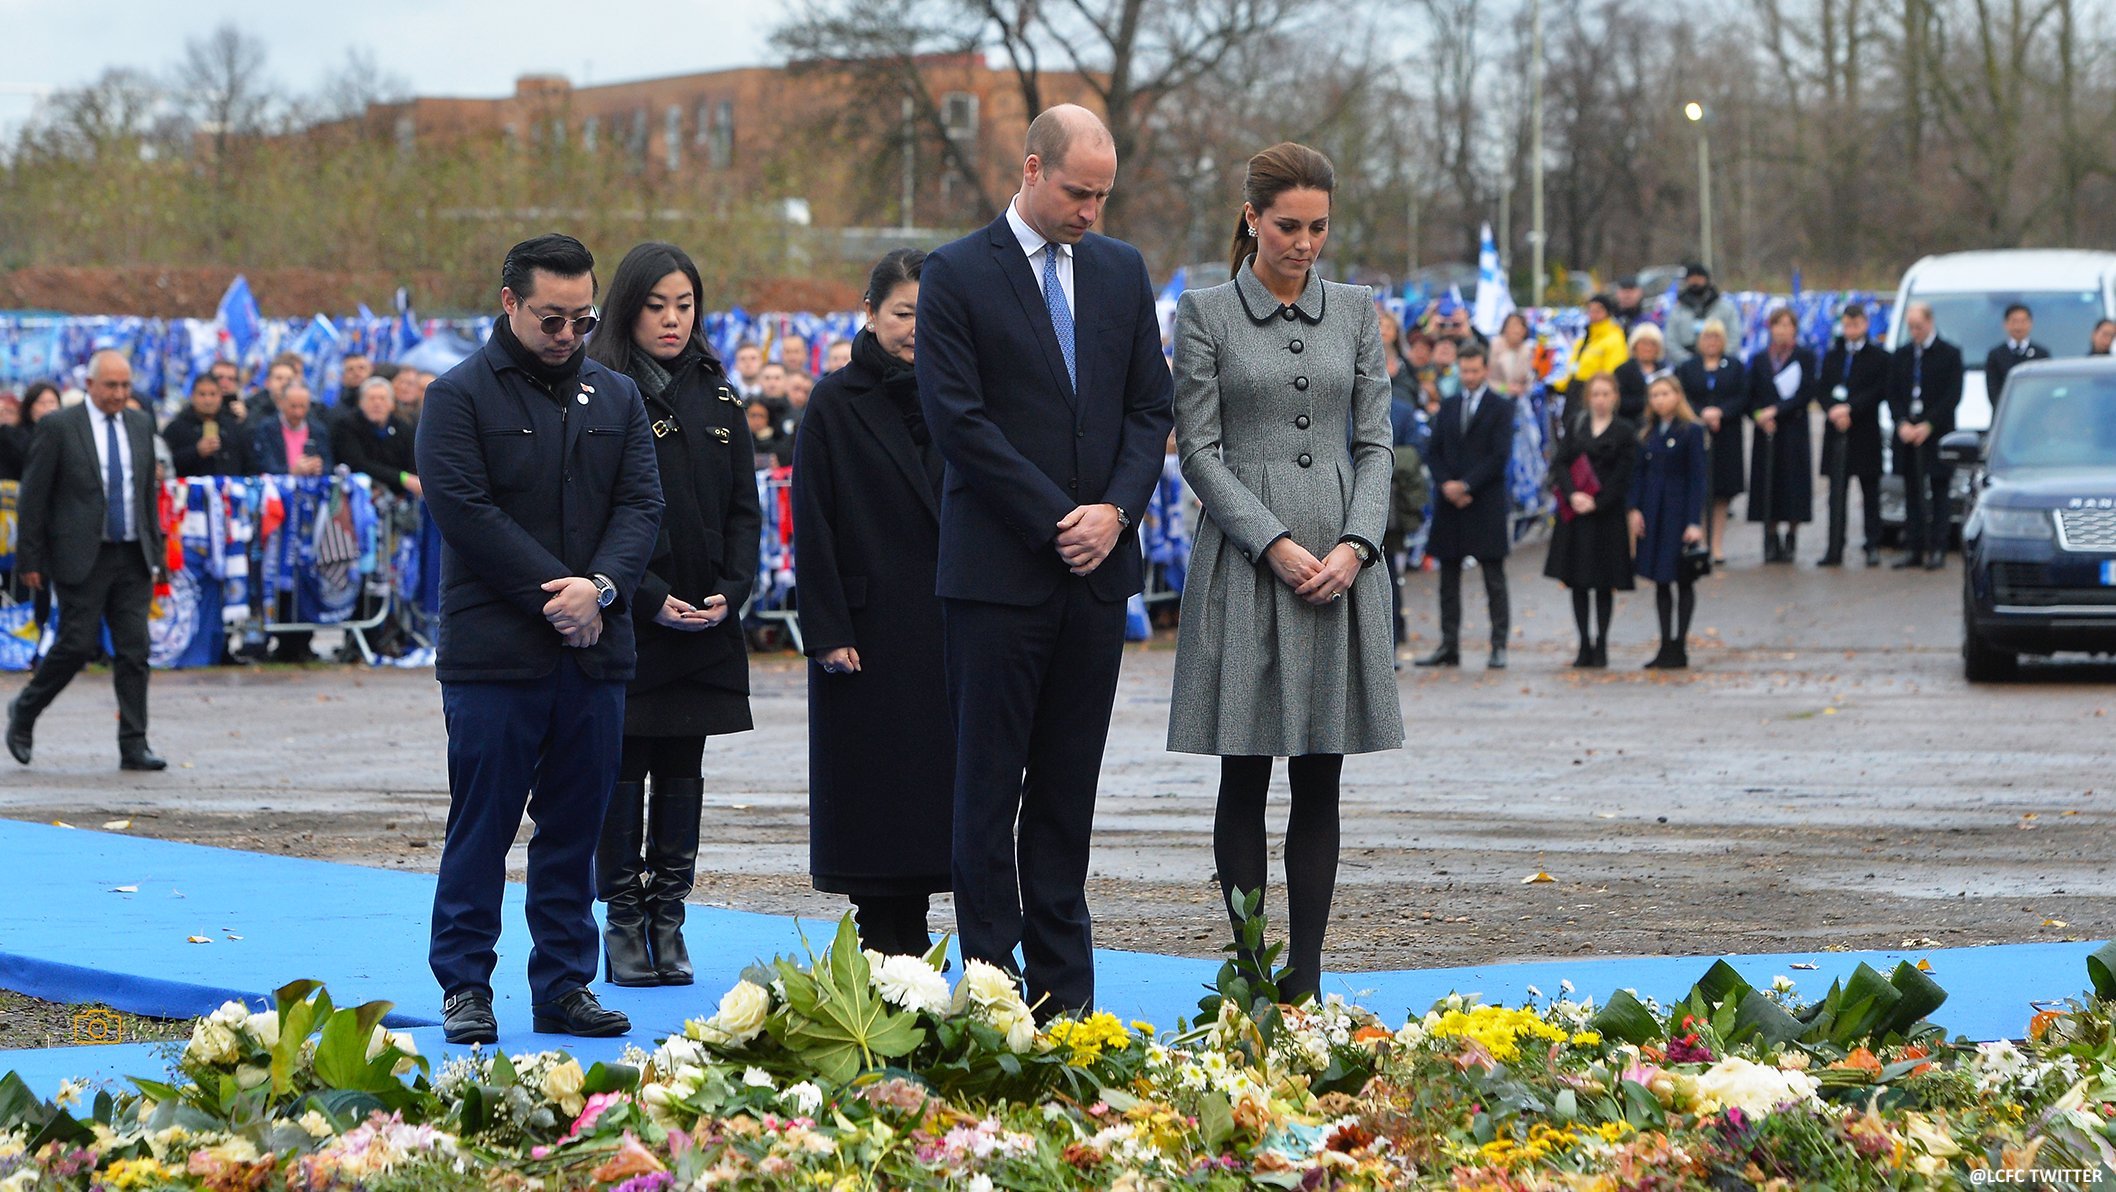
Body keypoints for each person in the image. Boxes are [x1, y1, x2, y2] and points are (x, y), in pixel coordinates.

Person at [916, 104, 1174, 1018]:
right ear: (1031, 170)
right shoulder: (954, 274)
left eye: (1103, 195)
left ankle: (1067, 1001)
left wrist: (1115, 512)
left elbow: (1152, 409)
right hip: (996, 579)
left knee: (1067, 793)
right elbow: (959, 422)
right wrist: (1058, 516)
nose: (1091, 212)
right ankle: (993, 993)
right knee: (986, 794)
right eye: (1077, 192)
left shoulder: (1119, 270)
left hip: (1096, 577)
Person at [1165, 142, 1402, 1002]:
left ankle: (1306, 976)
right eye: (1289, 226)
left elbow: (1375, 440)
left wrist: (1356, 545)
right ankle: (1253, 971)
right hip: (1246, 564)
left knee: (1321, 770)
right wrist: (1270, 541)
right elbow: (1198, 449)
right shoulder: (1203, 314)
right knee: (1246, 767)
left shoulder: (1356, 310)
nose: (1305, 244)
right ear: (1252, 218)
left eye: (1320, 228)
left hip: (1342, 563)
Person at [418, 233, 662, 1044]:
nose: (566, 336)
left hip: (595, 649)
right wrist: (553, 593)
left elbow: (640, 507)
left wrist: (597, 590)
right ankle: (465, 984)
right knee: (482, 825)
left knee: (575, 827)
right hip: (496, 656)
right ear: (509, 303)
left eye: (582, 320)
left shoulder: (618, 399)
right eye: (551, 320)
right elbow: (464, 510)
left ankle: (563, 982)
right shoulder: (457, 397)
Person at [585, 241, 760, 987]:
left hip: (707, 622)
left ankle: (668, 919)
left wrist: (734, 588)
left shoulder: (719, 394)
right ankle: (622, 922)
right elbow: (596, 514)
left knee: (685, 765)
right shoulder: (601, 389)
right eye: (656, 305)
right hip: (632, 619)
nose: (672, 320)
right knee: (625, 764)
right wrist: (650, 595)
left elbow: (744, 511)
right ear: (629, 307)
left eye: (684, 305)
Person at [794, 248, 954, 958]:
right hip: (865, 626)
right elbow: (813, 516)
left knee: (931, 787)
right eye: (903, 314)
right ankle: (876, 934)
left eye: (930, 314)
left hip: (945, 620)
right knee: (872, 792)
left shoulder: (961, 394)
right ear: (870, 313)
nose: (916, 329)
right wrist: (826, 627)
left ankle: (913, 934)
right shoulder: (834, 400)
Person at [7, 351, 166, 772]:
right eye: (111, 386)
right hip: (81, 555)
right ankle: (25, 711)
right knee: (75, 645)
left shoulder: (140, 424)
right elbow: (34, 496)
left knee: (134, 651)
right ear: (91, 384)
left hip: (132, 555)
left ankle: (134, 743)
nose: (118, 394)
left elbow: (145, 494)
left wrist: (157, 551)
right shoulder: (59, 426)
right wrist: (31, 558)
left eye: (125, 386)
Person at [1416, 343, 1514, 669]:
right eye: (1465, 370)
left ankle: (1498, 644)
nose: (1469, 376)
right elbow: (1434, 451)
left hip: (1484, 501)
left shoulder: (1500, 407)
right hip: (1450, 504)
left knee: (1493, 578)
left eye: (1474, 370)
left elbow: (1499, 456)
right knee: (1448, 579)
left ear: (1485, 369)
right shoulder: (1449, 405)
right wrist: (1447, 484)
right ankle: (1449, 645)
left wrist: (1468, 485)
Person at [1543, 373, 1636, 667]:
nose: (1600, 399)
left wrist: (1598, 501)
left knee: (1603, 582)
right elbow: (1561, 462)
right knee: (1578, 581)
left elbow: (1625, 474)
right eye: (1595, 394)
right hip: (1576, 515)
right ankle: (1583, 643)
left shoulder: (1624, 430)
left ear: (1615, 397)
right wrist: (1573, 496)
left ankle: (1602, 644)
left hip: (1607, 516)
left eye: (1606, 394)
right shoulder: (1577, 424)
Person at [1628, 375, 1710, 668]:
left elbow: (1697, 478)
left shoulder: (1691, 431)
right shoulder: (1647, 431)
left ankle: (1680, 644)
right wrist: (1634, 508)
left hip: (1678, 511)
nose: (1659, 400)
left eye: (1664, 394)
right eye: (1654, 395)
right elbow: (1638, 473)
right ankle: (1665, 644)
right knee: (1661, 579)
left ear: (1677, 395)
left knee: (1683, 578)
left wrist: (1694, 521)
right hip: (1654, 509)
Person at [1887, 301, 1965, 570]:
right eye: (1911, 327)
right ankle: (1914, 547)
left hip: (1936, 433)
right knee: (1912, 491)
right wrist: (1901, 423)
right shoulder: (1902, 355)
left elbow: (1952, 395)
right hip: (1908, 433)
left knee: (1939, 491)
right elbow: (1893, 393)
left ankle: (1938, 547)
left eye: (1918, 326)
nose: (1914, 332)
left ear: (1930, 323)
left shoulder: (1950, 354)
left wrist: (1929, 424)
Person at [1816, 304, 1890, 567]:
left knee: (1870, 491)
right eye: (1847, 325)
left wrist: (1852, 408)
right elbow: (1822, 387)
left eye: (1856, 324)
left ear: (1865, 324)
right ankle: (1834, 546)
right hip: (1836, 430)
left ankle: (1872, 544)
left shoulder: (1878, 356)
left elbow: (1879, 390)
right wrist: (1832, 409)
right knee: (1836, 493)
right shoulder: (1833, 355)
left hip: (1863, 430)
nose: (1851, 330)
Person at [1745, 307, 1816, 563]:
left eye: (1788, 325)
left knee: (1793, 483)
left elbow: (1806, 393)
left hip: (1793, 429)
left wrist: (1778, 410)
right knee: (1768, 483)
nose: (1782, 330)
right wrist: (1759, 416)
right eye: (1778, 325)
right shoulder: (1760, 358)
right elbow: (1749, 395)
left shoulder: (1804, 356)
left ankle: (1792, 536)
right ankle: (1770, 534)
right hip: (1766, 431)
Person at [1675, 319, 1747, 563]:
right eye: (1707, 337)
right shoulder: (1688, 367)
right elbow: (1681, 395)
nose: (1711, 342)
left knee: (1721, 492)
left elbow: (1743, 396)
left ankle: (1716, 545)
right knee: (1699, 487)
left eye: (1716, 338)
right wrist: (1702, 413)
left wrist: (1721, 413)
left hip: (1726, 435)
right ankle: (1699, 540)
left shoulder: (1735, 366)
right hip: (1695, 433)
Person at [332, 377, 421, 498]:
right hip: (360, 492)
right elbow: (358, 463)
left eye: (382, 399)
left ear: (392, 404)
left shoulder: (404, 427)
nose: (377, 403)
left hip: (400, 495)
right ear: (361, 403)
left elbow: (413, 462)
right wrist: (401, 477)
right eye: (371, 398)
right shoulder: (346, 426)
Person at [1557, 294, 1628, 425]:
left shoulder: (1614, 339)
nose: (1593, 315)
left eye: (1598, 310)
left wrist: (1600, 392)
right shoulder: (1584, 339)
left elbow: (1611, 373)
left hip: (1594, 395)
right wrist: (1558, 386)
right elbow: (1573, 369)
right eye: (1590, 310)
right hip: (1575, 394)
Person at [165, 373, 254, 477]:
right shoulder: (176, 428)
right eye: (202, 394)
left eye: (212, 394)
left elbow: (249, 463)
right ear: (192, 396)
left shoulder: (233, 426)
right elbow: (168, 465)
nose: (208, 400)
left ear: (220, 396)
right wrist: (196, 452)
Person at [249, 380, 334, 477]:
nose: (298, 413)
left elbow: (329, 466)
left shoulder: (319, 431)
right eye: (293, 406)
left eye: (302, 406)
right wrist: (292, 471)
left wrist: (319, 468)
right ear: (281, 403)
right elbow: (265, 467)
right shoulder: (266, 429)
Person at [1664, 262, 1741, 367]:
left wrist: (1718, 359)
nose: (1695, 281)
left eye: (1699, 277)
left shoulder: (1726, 308)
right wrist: (1690, 363)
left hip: (1721, 367)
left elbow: (1735, 337)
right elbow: (1670, 341)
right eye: (1691, 278)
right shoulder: (1677, 311)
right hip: (1686, 368)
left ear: (1707, 279)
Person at [1984, 302, 2051, 408]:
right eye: (2014, 321)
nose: (2018, 326)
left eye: (2023, 321)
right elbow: (1993, 390)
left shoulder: (2041, 354)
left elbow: (2045, 387)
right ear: (2006, 324)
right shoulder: (1996, 355)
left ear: (2030, 323)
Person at [1613, 323, 1671, 422]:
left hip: (1660, 421)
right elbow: (1618, 401)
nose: (1648, 348)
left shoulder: (1665, 369)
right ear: (1634, 346)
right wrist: (1648, 402)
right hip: (1630, 421)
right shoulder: (1622, 371)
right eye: (1644, 343)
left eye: (1653, 344)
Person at [1488, 311, 1536, 398]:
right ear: (1505, 328)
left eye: (1520, 326)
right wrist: (1505, 388)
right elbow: (1488, 380)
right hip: (1496, 395)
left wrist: (1522, 388)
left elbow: (1529, 380)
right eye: (1513, 325)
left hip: (1520, 396)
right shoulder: (1494, 346)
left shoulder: (1527, 349)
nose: (1517, 330)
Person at [746, 399, 793, 467]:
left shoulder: (779, 439)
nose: (757, 421)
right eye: (753, 415)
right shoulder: (739, 439)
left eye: (761, 416)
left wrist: (765, 440)